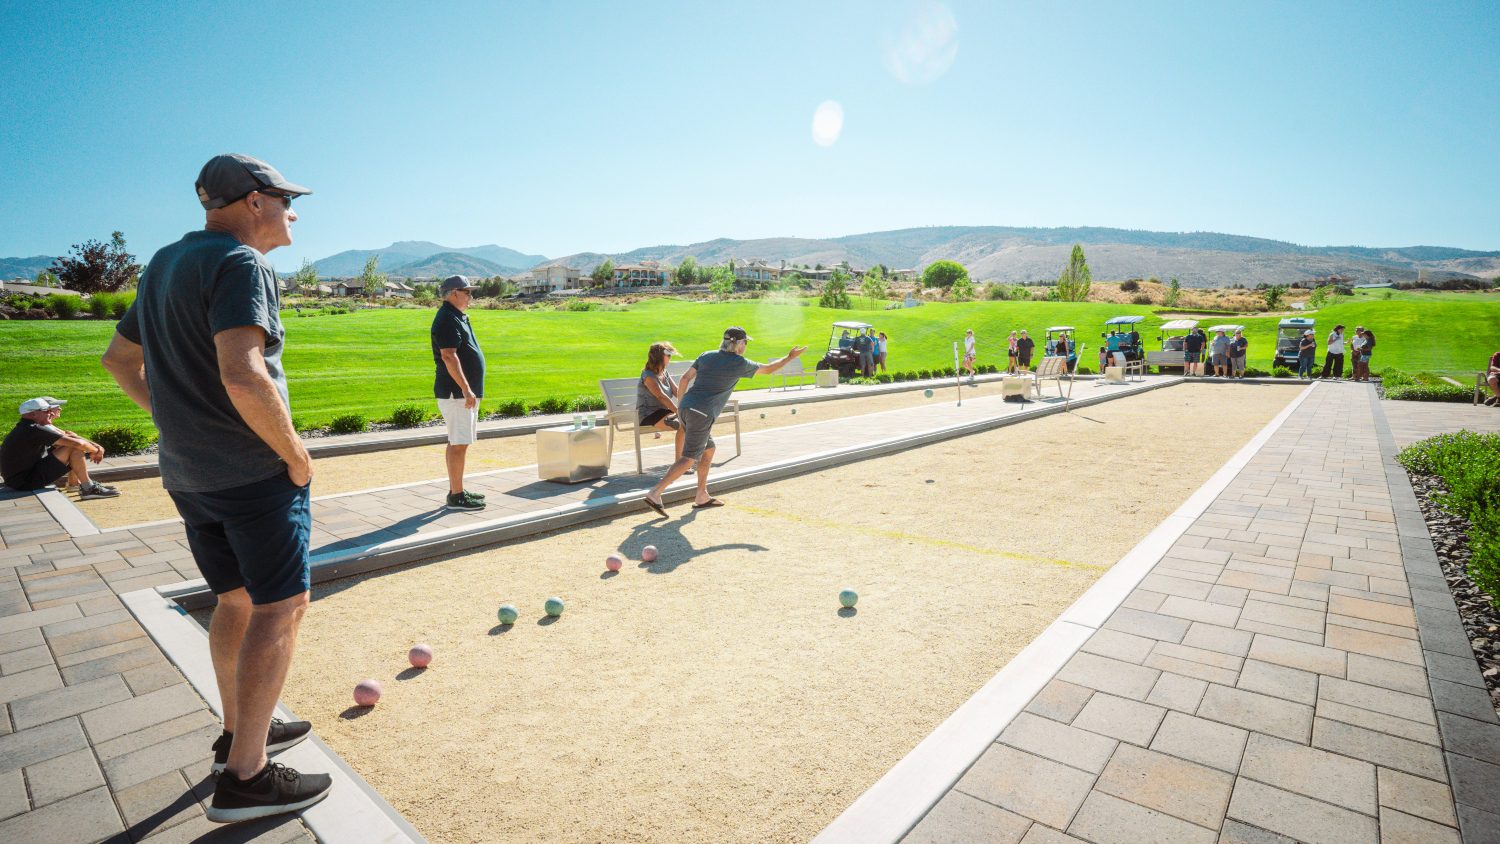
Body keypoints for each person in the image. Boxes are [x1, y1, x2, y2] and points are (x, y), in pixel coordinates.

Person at [99, 153, 330, 823]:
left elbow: (119, 361)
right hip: (250, 473)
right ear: (253, 201)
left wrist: (179, 422)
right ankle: (248, 778)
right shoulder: (242, 263)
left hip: (189, 475)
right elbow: (242, 373)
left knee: (234, 600)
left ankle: (238, 736)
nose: (293, 211)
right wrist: (296, 455)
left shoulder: (167, 261)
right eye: (285, 198)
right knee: (280, 608)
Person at [642, 327, 804, 515]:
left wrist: (681, 405)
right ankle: (655, 492)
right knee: (689, 458)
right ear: (738, 344)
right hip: (702, 413)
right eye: (745, 342)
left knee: (709, 450)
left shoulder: (706, 355)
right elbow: (768, 370)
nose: (746, 345)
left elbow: (685, 379)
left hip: (687, 408)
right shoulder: (740, 363)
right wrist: (789, 357)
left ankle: (701, 495)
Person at [431, 275, 487, 511]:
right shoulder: (447, 319)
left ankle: (457, 490)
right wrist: (465, 389)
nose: (471, 295)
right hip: (457, 394)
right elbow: (448, 356)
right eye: (467, 291)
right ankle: (456, 496)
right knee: (459, 443)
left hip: (460, 393)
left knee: (457, 441)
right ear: (454, 293)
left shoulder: (456, 316)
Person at [1, 397, 119, 498]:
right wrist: (96, 451)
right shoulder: (34, 429)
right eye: (46, 411)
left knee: (69, 445)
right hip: (25, 482)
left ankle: (81, 485)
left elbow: (69, 437)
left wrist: (97, 447)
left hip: (19, 480)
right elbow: (78, 444)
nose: (51, 413)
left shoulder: (28, 427)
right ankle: (88, 488)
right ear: (33, 414)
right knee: (74, 447)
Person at [638, 341, 684, 461]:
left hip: (663, 412)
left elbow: (677, 391)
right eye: (668, 355)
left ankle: (686, 460)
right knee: (684, 425)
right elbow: (661, 396)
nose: (670, 358)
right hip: (648, 415)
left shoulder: (664, 372)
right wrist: (677, 411)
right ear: (659, 357)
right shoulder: (648, 375)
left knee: (690, 421)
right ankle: (680, 462)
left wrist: (690, 402)